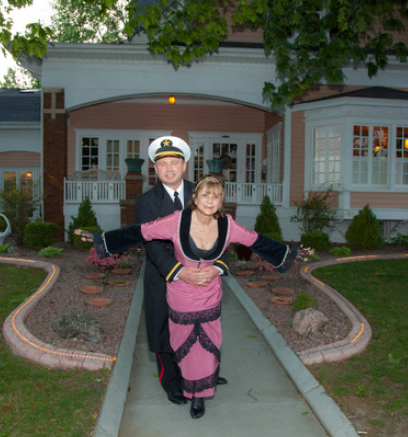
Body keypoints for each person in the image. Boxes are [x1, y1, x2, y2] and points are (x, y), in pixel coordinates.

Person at [76, 175, 297, 419]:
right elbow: (142, 232)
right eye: (205, 194)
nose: (210, 201)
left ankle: (200, 394)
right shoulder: (176, 221)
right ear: (195, 197)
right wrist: (103, 239)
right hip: (181, 294)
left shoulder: (228, 224)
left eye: (216, 196)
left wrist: (290, 253)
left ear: (221, 200)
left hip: (210, 294)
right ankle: (192, 390)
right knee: (187, 346)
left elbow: (257, 241)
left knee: (207, 347)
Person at [135, 136, 229, 407]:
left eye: (174, 162)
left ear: (185, 165)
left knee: (204, 329)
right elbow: (153, 247)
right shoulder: (146, 203)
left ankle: (206, 374)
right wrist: (179, 272)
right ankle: (173, 382)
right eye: (162, 163)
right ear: (155, 168)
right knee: (164, 333)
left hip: (202, 281)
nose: (169, 168)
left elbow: (221, 233)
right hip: (163, 279)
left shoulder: (203, 195)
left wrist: (215, 267)